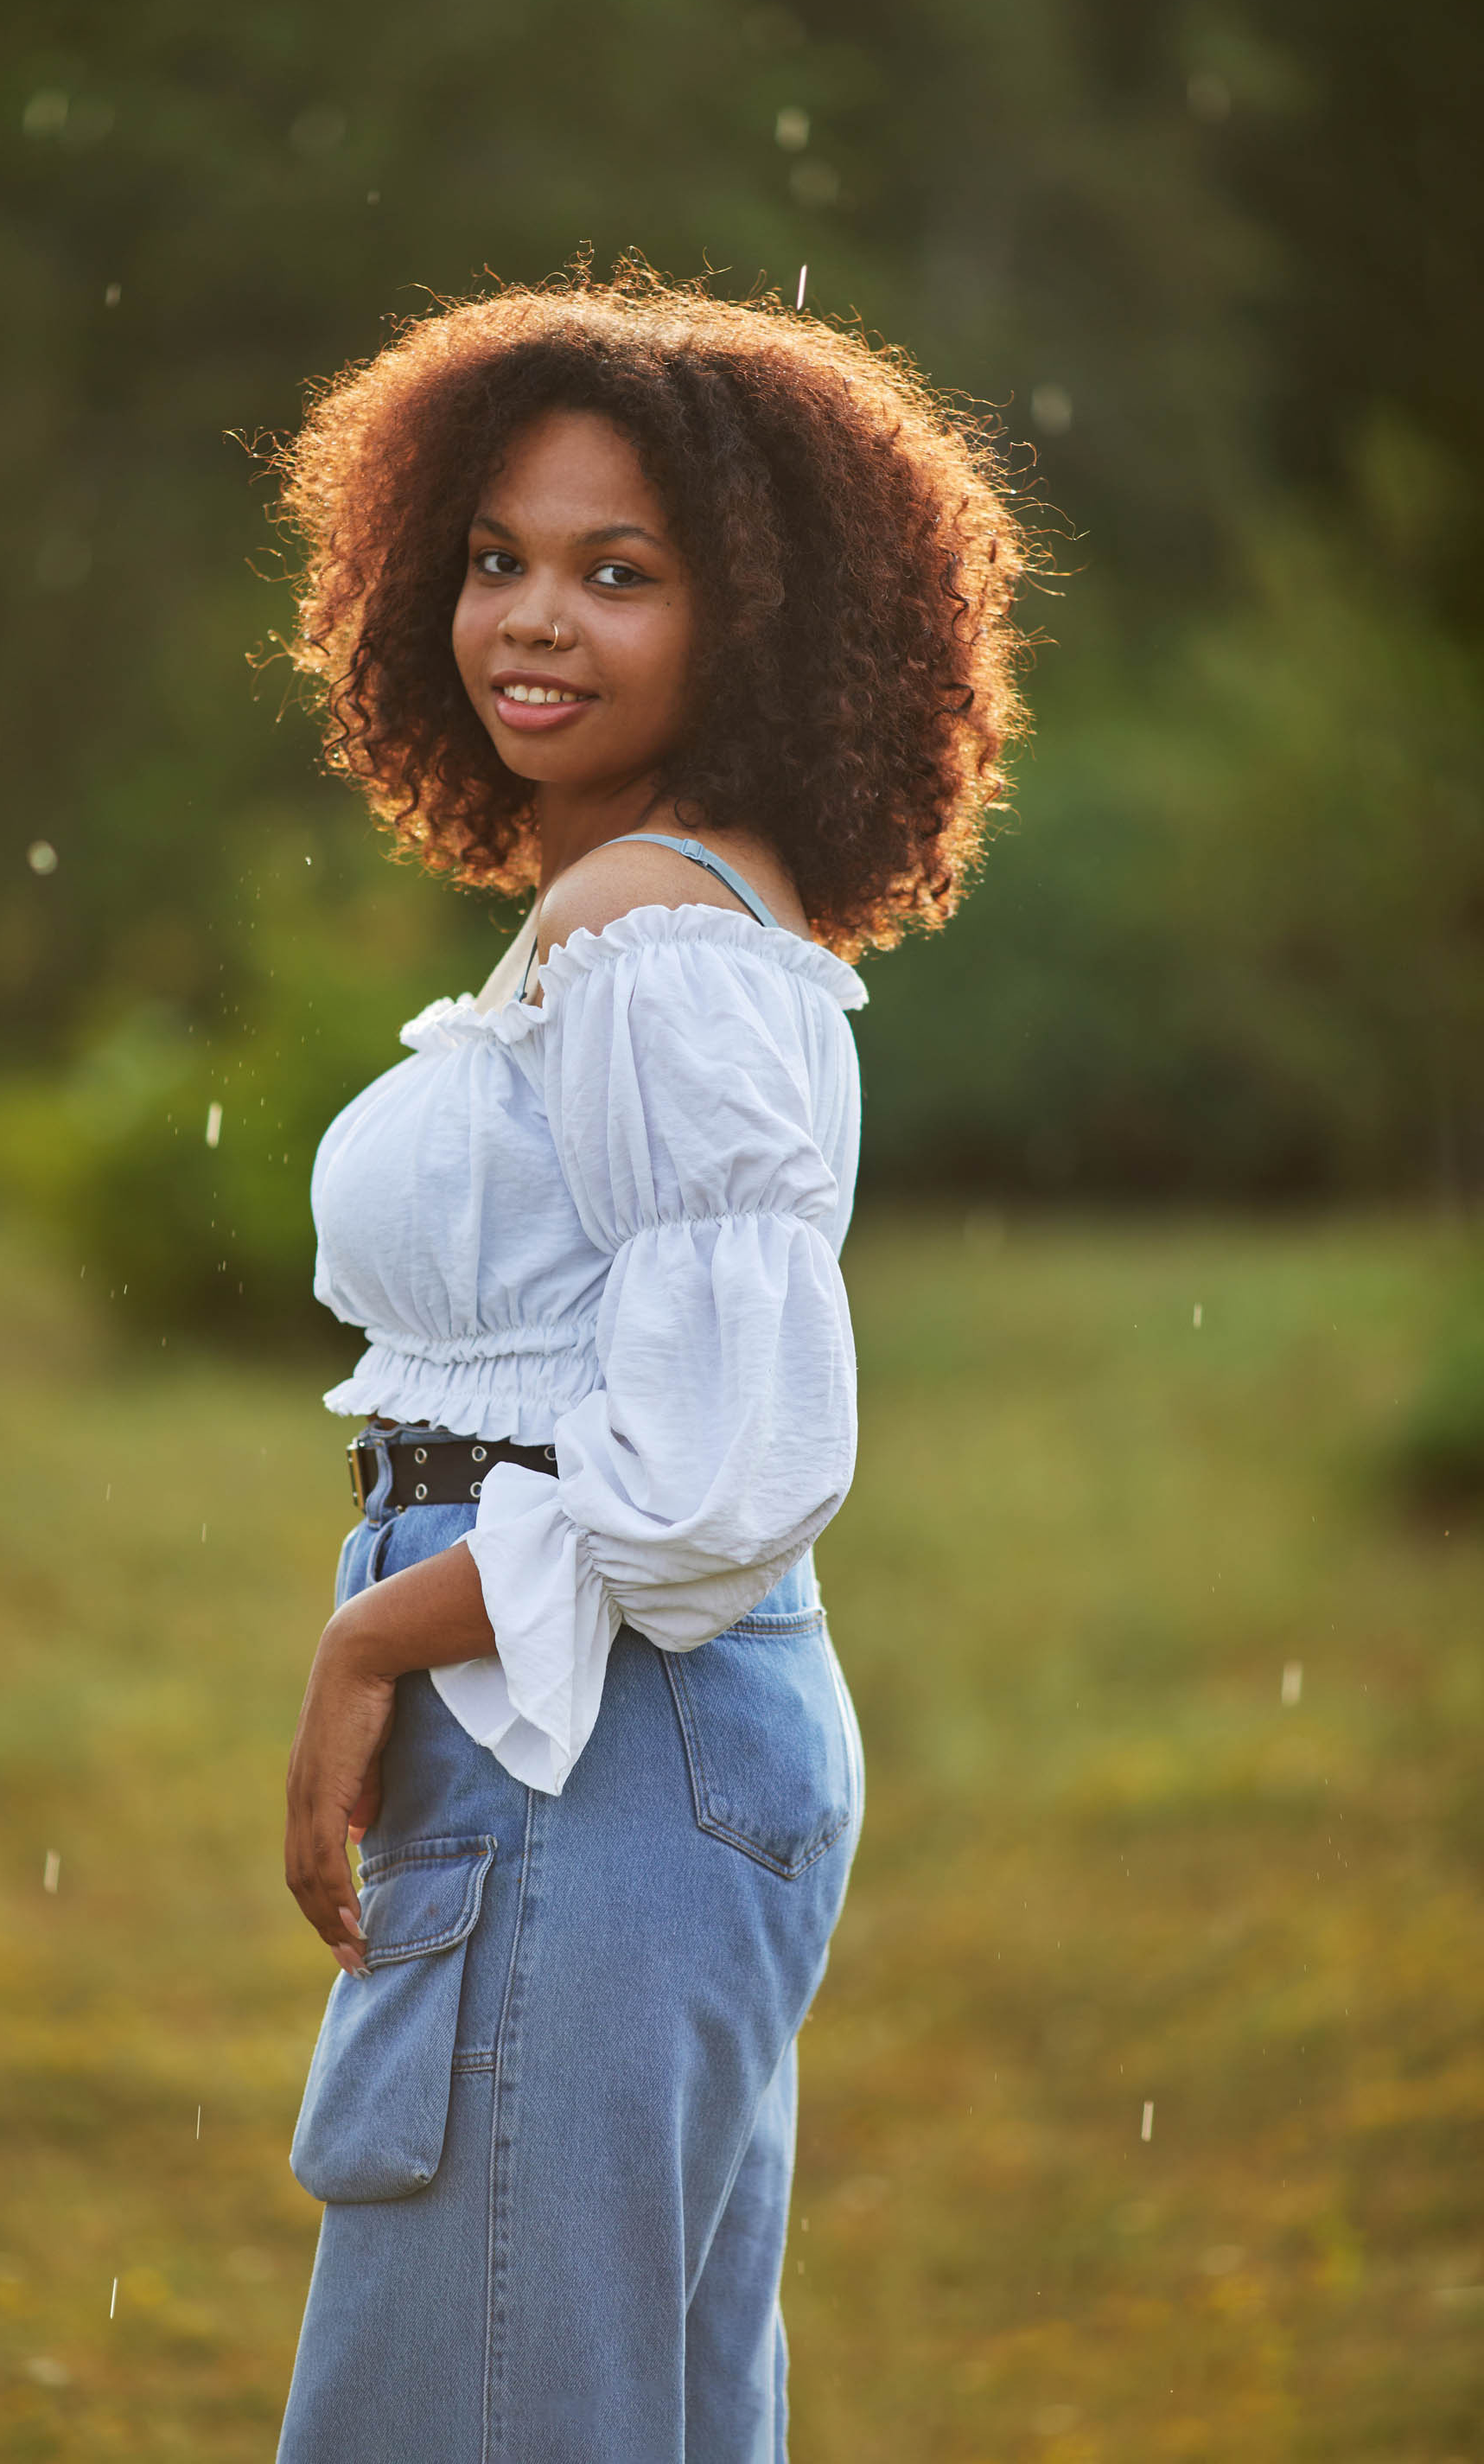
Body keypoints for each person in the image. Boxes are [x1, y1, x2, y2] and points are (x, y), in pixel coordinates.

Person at [271, 263, 1028, 2463]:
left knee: (491, 2398)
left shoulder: (658, 933)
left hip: (597, 1732)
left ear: (755, 622)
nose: (530, 620)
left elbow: (720, 1467)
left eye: (620, 573)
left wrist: (368, 1652)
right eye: (496, 560)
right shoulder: (650, 908)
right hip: (614, 1731)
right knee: (598, 2392)